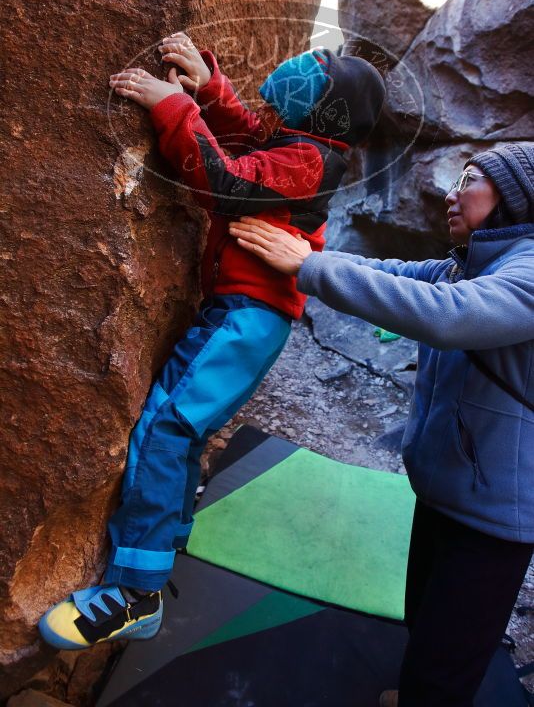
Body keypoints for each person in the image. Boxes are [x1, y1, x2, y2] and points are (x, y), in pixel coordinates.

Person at [38, 34, 385, 649]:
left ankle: (134, 594)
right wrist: (208, 86)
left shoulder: (307, 162)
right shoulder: (303, 148)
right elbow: (252, 138)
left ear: (328, 108)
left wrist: (172, 106)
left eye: (320, 69)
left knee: (167, 425)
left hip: (246, 316)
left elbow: (222, 177)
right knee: (186, 428)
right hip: (244, 314)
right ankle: (162, 544)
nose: (306, 64)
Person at [228, 143, 534, 707]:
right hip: (450, 486)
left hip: (499, 514)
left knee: (450, 654)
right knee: (424, 614)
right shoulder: (469, 263)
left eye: (468, 179)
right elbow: (392, 274)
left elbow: (449, 315)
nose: (450, 194)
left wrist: (310, 267)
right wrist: (308, 254)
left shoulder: (528, 272)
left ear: (513, 194)